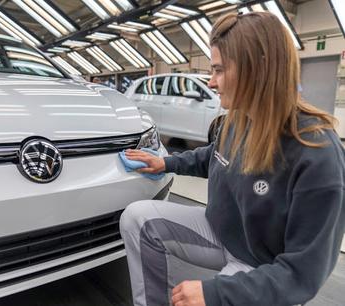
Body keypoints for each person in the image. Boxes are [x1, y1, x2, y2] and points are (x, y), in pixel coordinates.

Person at [120, 11, 345, 306]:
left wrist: (214, 294)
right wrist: (167, 162)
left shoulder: (316, 155)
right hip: (220, 233)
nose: (211, 83)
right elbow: (213, 156)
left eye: (219, 70)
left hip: (262, 265)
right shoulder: (237, 121)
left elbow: (302, 275)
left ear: (258, 70)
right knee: (136, 218)